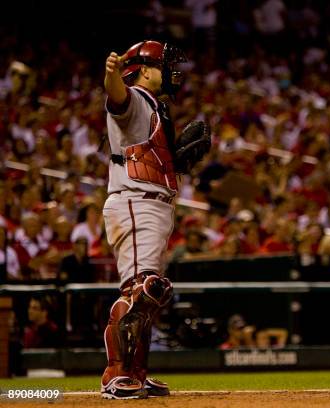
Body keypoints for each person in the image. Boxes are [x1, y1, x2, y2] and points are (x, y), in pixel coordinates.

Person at [100, 40, 188, 399]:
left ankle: (137, 371)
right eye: (164, 64)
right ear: (145, 69)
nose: (170, 71)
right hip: (136, 201)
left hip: (151, 203)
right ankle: (116, 373)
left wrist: (179, 161)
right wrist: (111, 75)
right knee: (140, 289)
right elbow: (116, 98)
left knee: (149, 293)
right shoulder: (135, 96)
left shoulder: (155, 106)